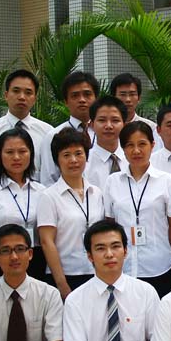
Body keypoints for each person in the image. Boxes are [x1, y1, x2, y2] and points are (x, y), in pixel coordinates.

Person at [104, 121, 171, 297]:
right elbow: (110, 223)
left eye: (142, 144)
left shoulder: (168, 182)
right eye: (130, 145)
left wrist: (162, 249)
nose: (136, 151)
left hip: (159, 266)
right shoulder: (113, 182)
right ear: (123, 149)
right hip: (123, 267)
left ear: (152, 145)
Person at [37, 128, 105, 299]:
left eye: (78, 153)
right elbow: (47, 241)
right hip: (66, 275)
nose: (73, 160)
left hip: (96, 273)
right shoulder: (49, 196)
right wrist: (62, 284)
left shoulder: (96, 193)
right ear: (57, 160)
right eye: (66, 155)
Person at [0, 128, 47, 280]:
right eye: (9, 152)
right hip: (2, 262)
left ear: (31, 154)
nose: (16, 157)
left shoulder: (41, 191)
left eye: (22, 151)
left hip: (36, 260)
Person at [0, 69, 54, 183]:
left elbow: (51, 172)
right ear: (6, 95)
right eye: (16, 91)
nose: (22, 97)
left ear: (35, 99)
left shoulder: (48, 132)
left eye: (28, 92)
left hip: (37, 192)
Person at [39, 72, 99, 186]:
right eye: (75, 95)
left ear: (96, 98)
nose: (82, 100)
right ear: (66, 101)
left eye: (87, 94)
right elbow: (48, 179)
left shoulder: (105, 133)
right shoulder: (54, 135)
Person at [85, 96, 129, 190]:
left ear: (124, 125)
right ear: (92, 125)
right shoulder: (84, 162)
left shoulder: (133, 159)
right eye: (102, 120)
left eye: (115, 120)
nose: (108, 126)